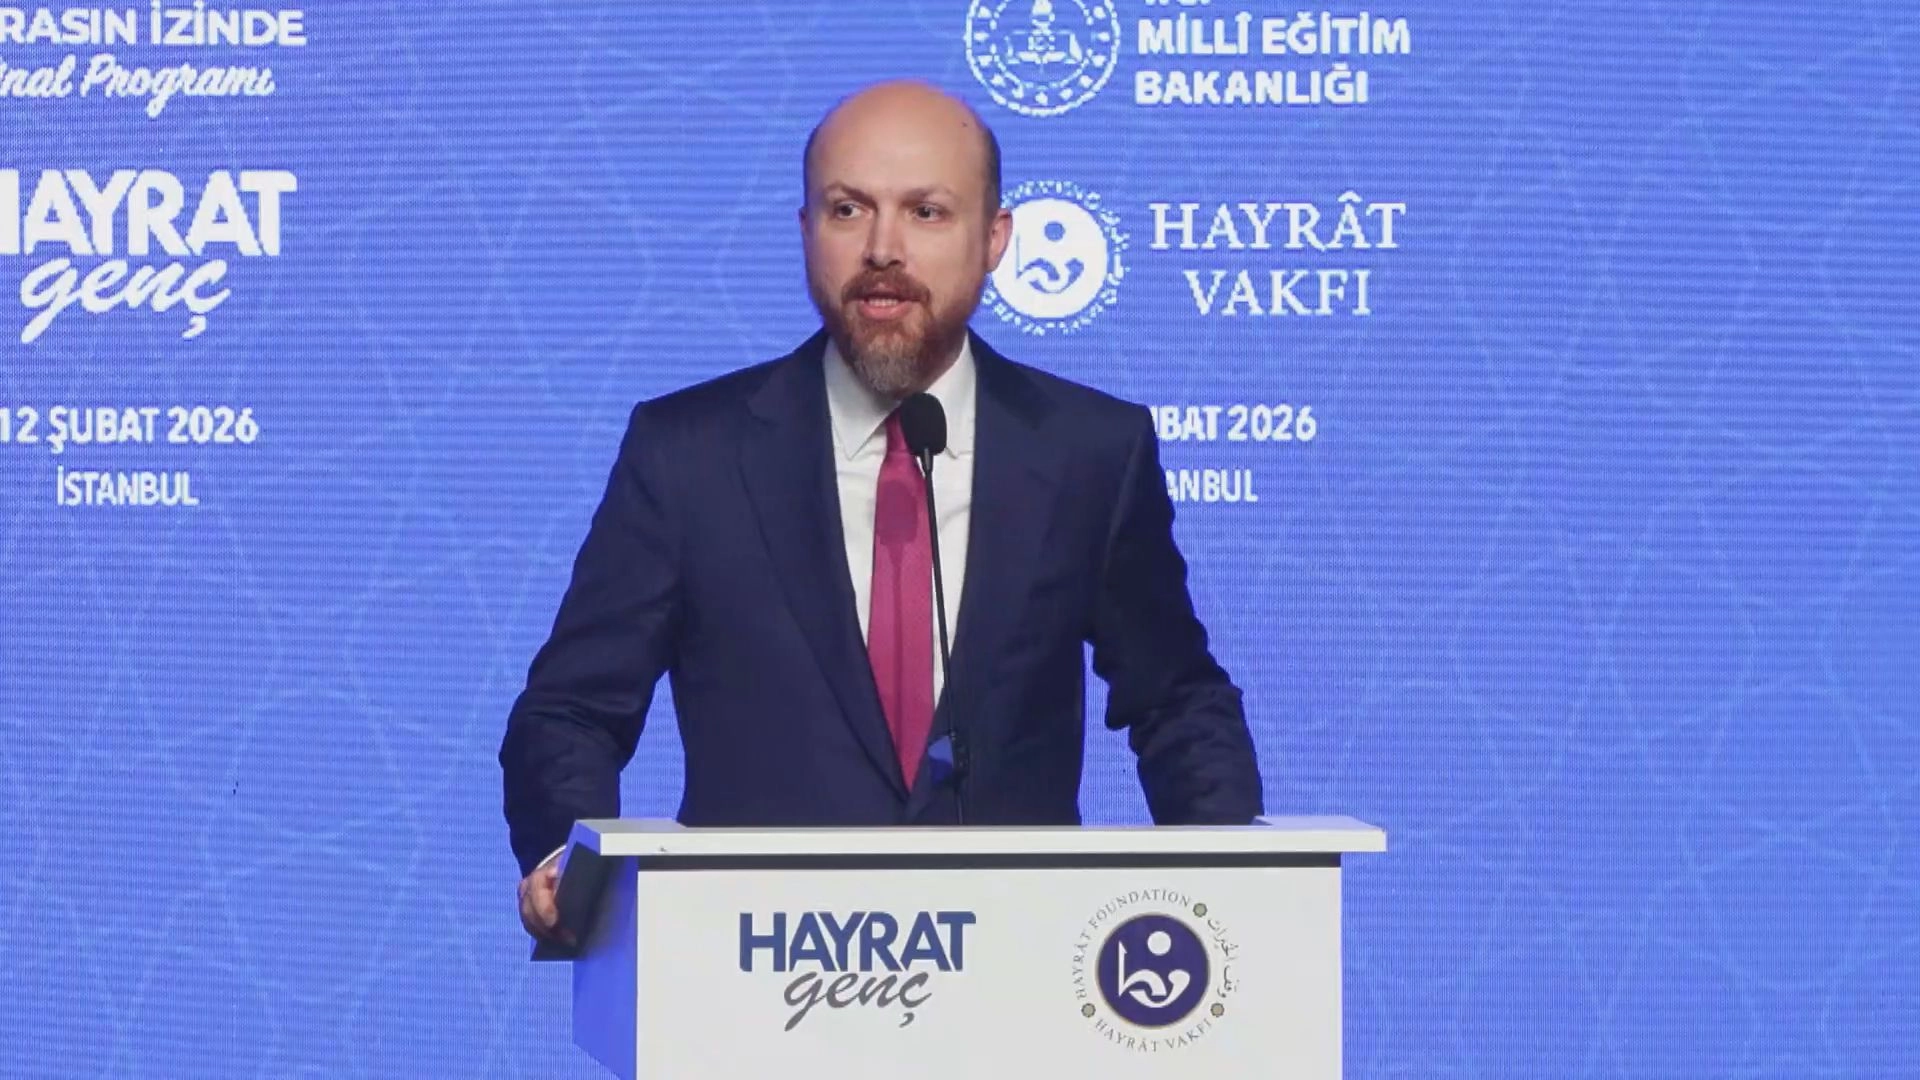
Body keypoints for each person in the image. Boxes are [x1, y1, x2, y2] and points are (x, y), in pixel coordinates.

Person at [503, 80, 1262, 944]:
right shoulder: (689, 455)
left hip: (1019, 967)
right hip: (755, 973)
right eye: (847, 209)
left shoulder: (1089, 451)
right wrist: (565, 856)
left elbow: (1176, 701)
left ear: (995, 240)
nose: (882, 249)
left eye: (926, 212)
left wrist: (1239, 897)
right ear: (805, 231)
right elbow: (571, 711)